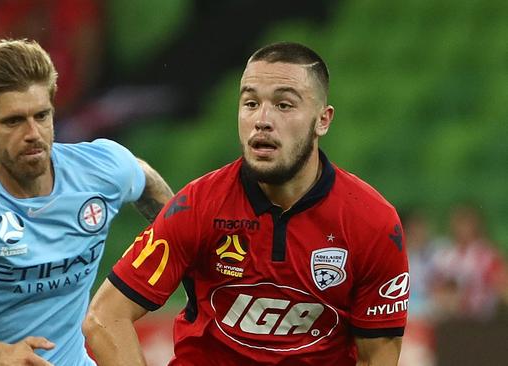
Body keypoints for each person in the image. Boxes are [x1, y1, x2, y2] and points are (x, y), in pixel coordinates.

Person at [83, 42, 409, 365]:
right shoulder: (197, 206)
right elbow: (104, 318)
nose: (262, 120)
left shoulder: (373, 223)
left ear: (322, 120)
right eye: (251, 103)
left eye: (284, 105)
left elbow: (378, 353)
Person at [0, 38, 173, 366]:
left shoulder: (99, 169)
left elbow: (144, 179)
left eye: (42, 115)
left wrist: (187, 254)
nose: (33, 134)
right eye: (13, 121)